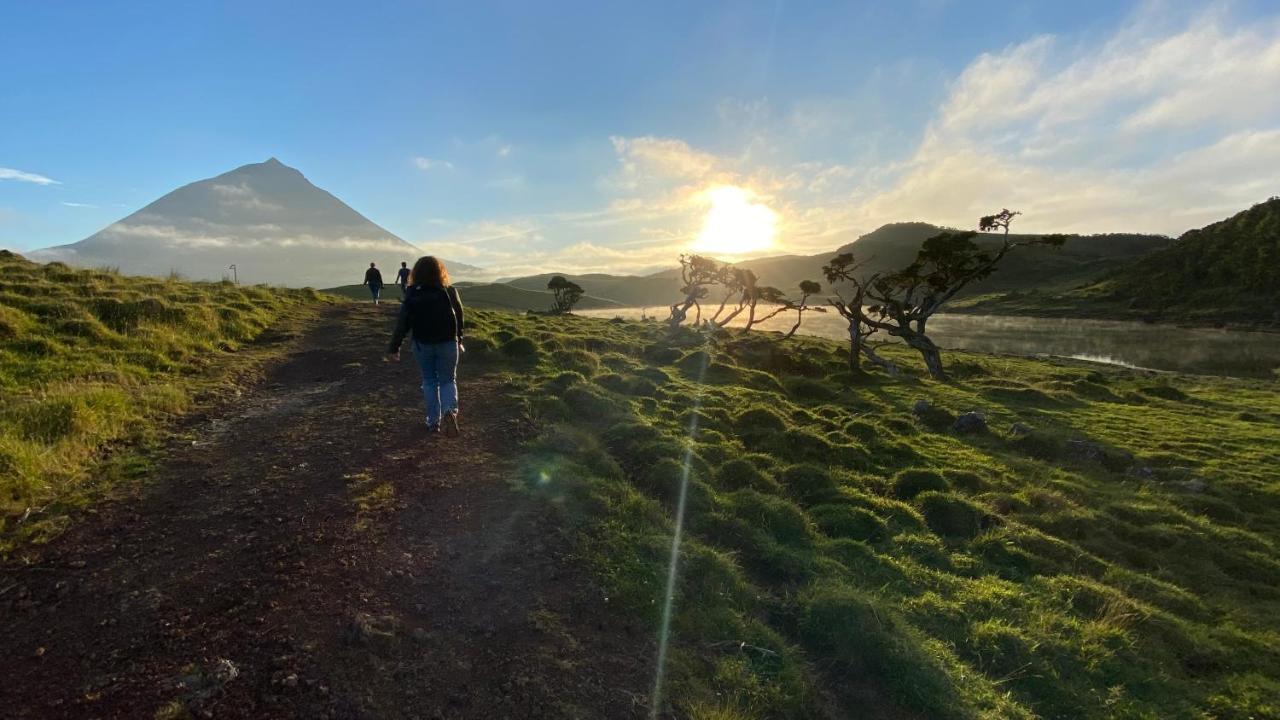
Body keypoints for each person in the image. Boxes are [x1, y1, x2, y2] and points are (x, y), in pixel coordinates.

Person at [387, 256, 465, 436]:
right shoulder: (450, 291)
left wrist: (394, 347)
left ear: (416, 272)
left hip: (422, 344)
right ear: (441, 272)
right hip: (448, 342)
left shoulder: (412, 292)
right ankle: (449, 411)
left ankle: (433, 421)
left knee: (429, 381)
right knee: (448, 380)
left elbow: (403, 322)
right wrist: (459, 339)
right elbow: (459, 317)